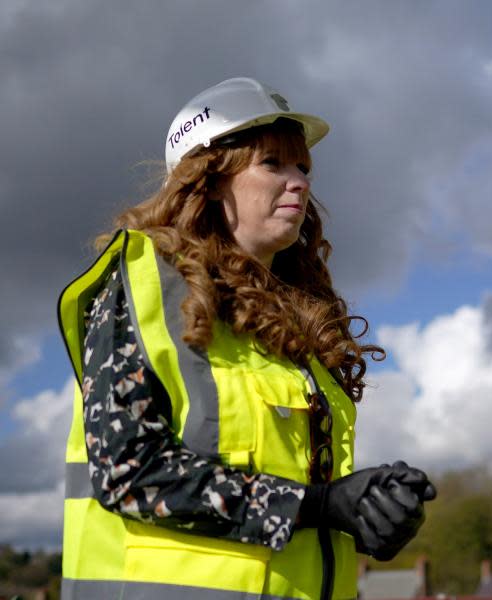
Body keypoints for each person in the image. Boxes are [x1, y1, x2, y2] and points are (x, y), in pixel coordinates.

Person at [58, 77, 436, 599]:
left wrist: (369, 509)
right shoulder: (142, 283)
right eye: (273, 164)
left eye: (303, 167)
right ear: (209, 179)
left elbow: (303, 502)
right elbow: (132, 472)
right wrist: (321, 506)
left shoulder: (300, 332)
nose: (300, 182)